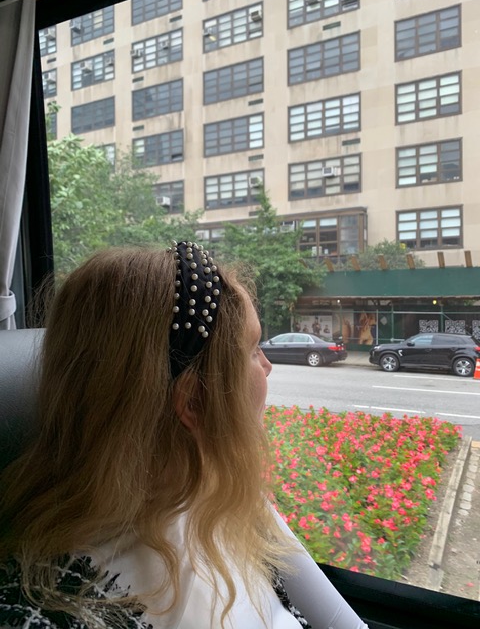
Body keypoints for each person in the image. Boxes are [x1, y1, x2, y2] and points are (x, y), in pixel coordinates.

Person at [0, 243, 368, 629]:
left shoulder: (226, 498)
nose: (267, 365)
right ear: (193, 401)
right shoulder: (45, 615)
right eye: (253, 350)